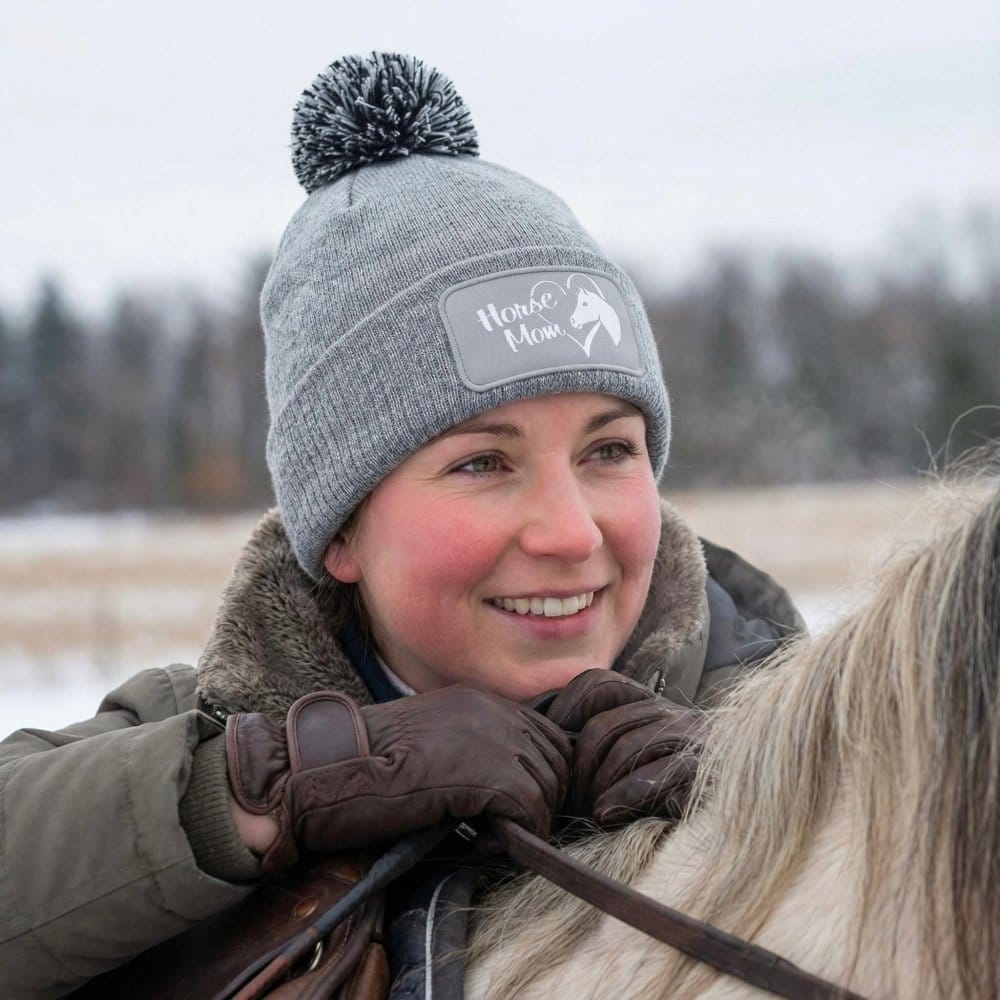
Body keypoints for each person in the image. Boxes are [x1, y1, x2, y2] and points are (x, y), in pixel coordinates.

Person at [0, 52, 802, 998]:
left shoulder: (818, 727)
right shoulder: (210, 741)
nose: (571, 533)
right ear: (341, 530)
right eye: (481, 463)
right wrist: (281, 788)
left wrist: (761, 789)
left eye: (608, 450)